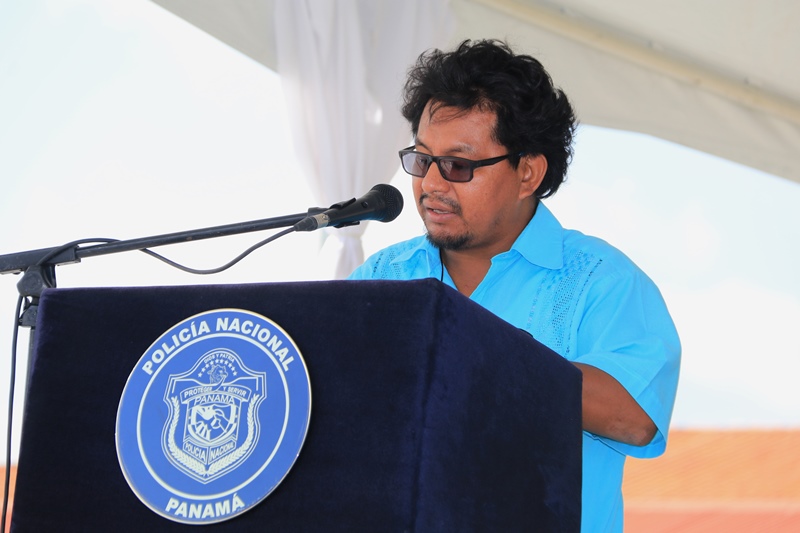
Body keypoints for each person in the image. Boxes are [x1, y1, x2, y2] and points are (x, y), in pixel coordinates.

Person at [348, 39, 680, 531]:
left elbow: (635, 418)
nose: (431, 184)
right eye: (421, 159)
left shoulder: (603, 281)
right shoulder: (381, 277)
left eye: (458, 165)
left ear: (527, 172)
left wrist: (469, 355)